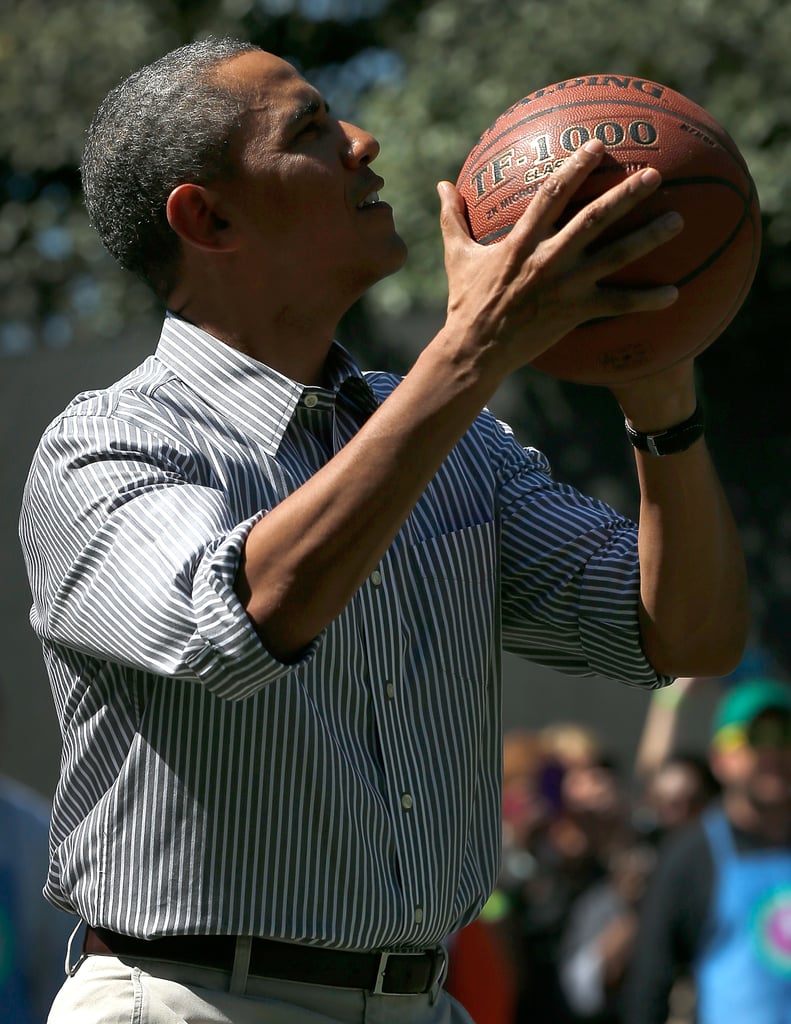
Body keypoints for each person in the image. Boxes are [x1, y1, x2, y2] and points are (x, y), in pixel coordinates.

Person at [18, 36, 750, 1024]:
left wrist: (659, 399)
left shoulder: (453, 437)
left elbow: (684, 634)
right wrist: (471, 353)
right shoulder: (105, 446)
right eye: (310, 132)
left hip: (421, 1002)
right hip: (186, 1000)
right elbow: (243, 620)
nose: (363, 142)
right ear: (208, 216)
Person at [622, 677, 791, 1024]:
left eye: (785, 736)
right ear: (720, 758)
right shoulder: (689, 856)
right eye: (756, 738)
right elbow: (650, 986)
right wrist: (669, 700)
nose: (773, 753)